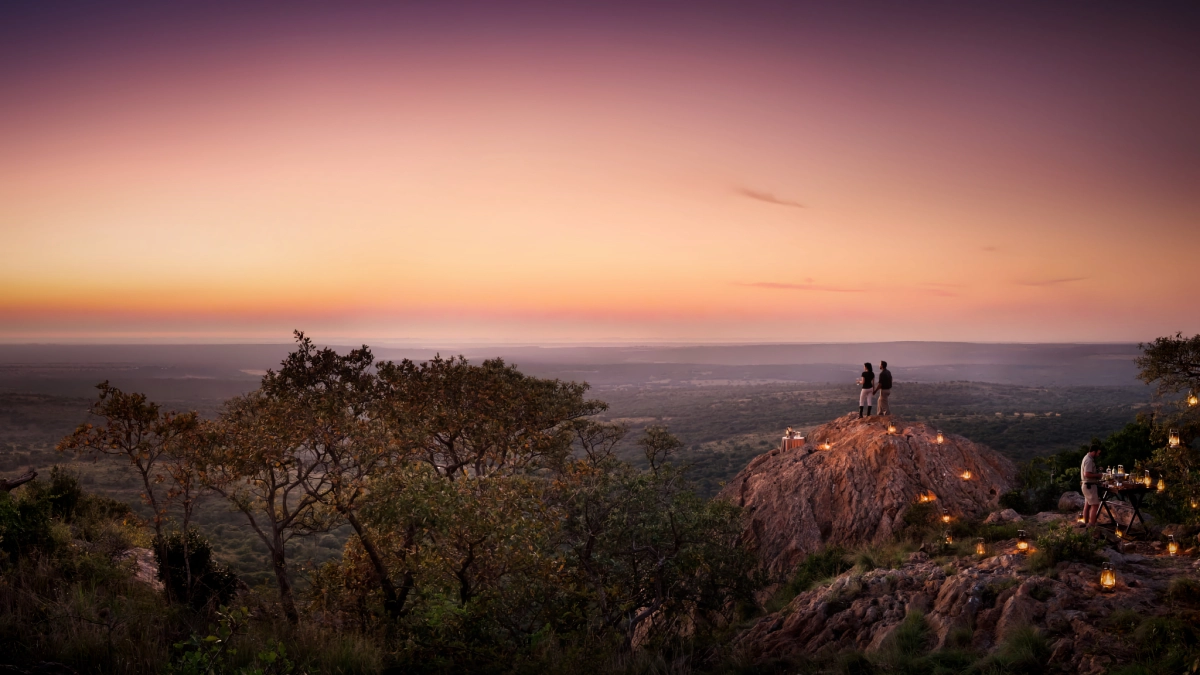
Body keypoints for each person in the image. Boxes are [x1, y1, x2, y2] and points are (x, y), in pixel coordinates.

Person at [1080, 440, 1103, 526]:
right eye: (1098, 453)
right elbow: (1087, 474)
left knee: (1087, 505)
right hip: (1089, 486)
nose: (1098, 455)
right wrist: (1098, 475)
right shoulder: (1089, 460)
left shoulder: (1087, 458)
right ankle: (1092, 526)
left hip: (1085, 485)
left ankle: (1086, 523)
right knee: (1095, 505)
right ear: (1094, 451)